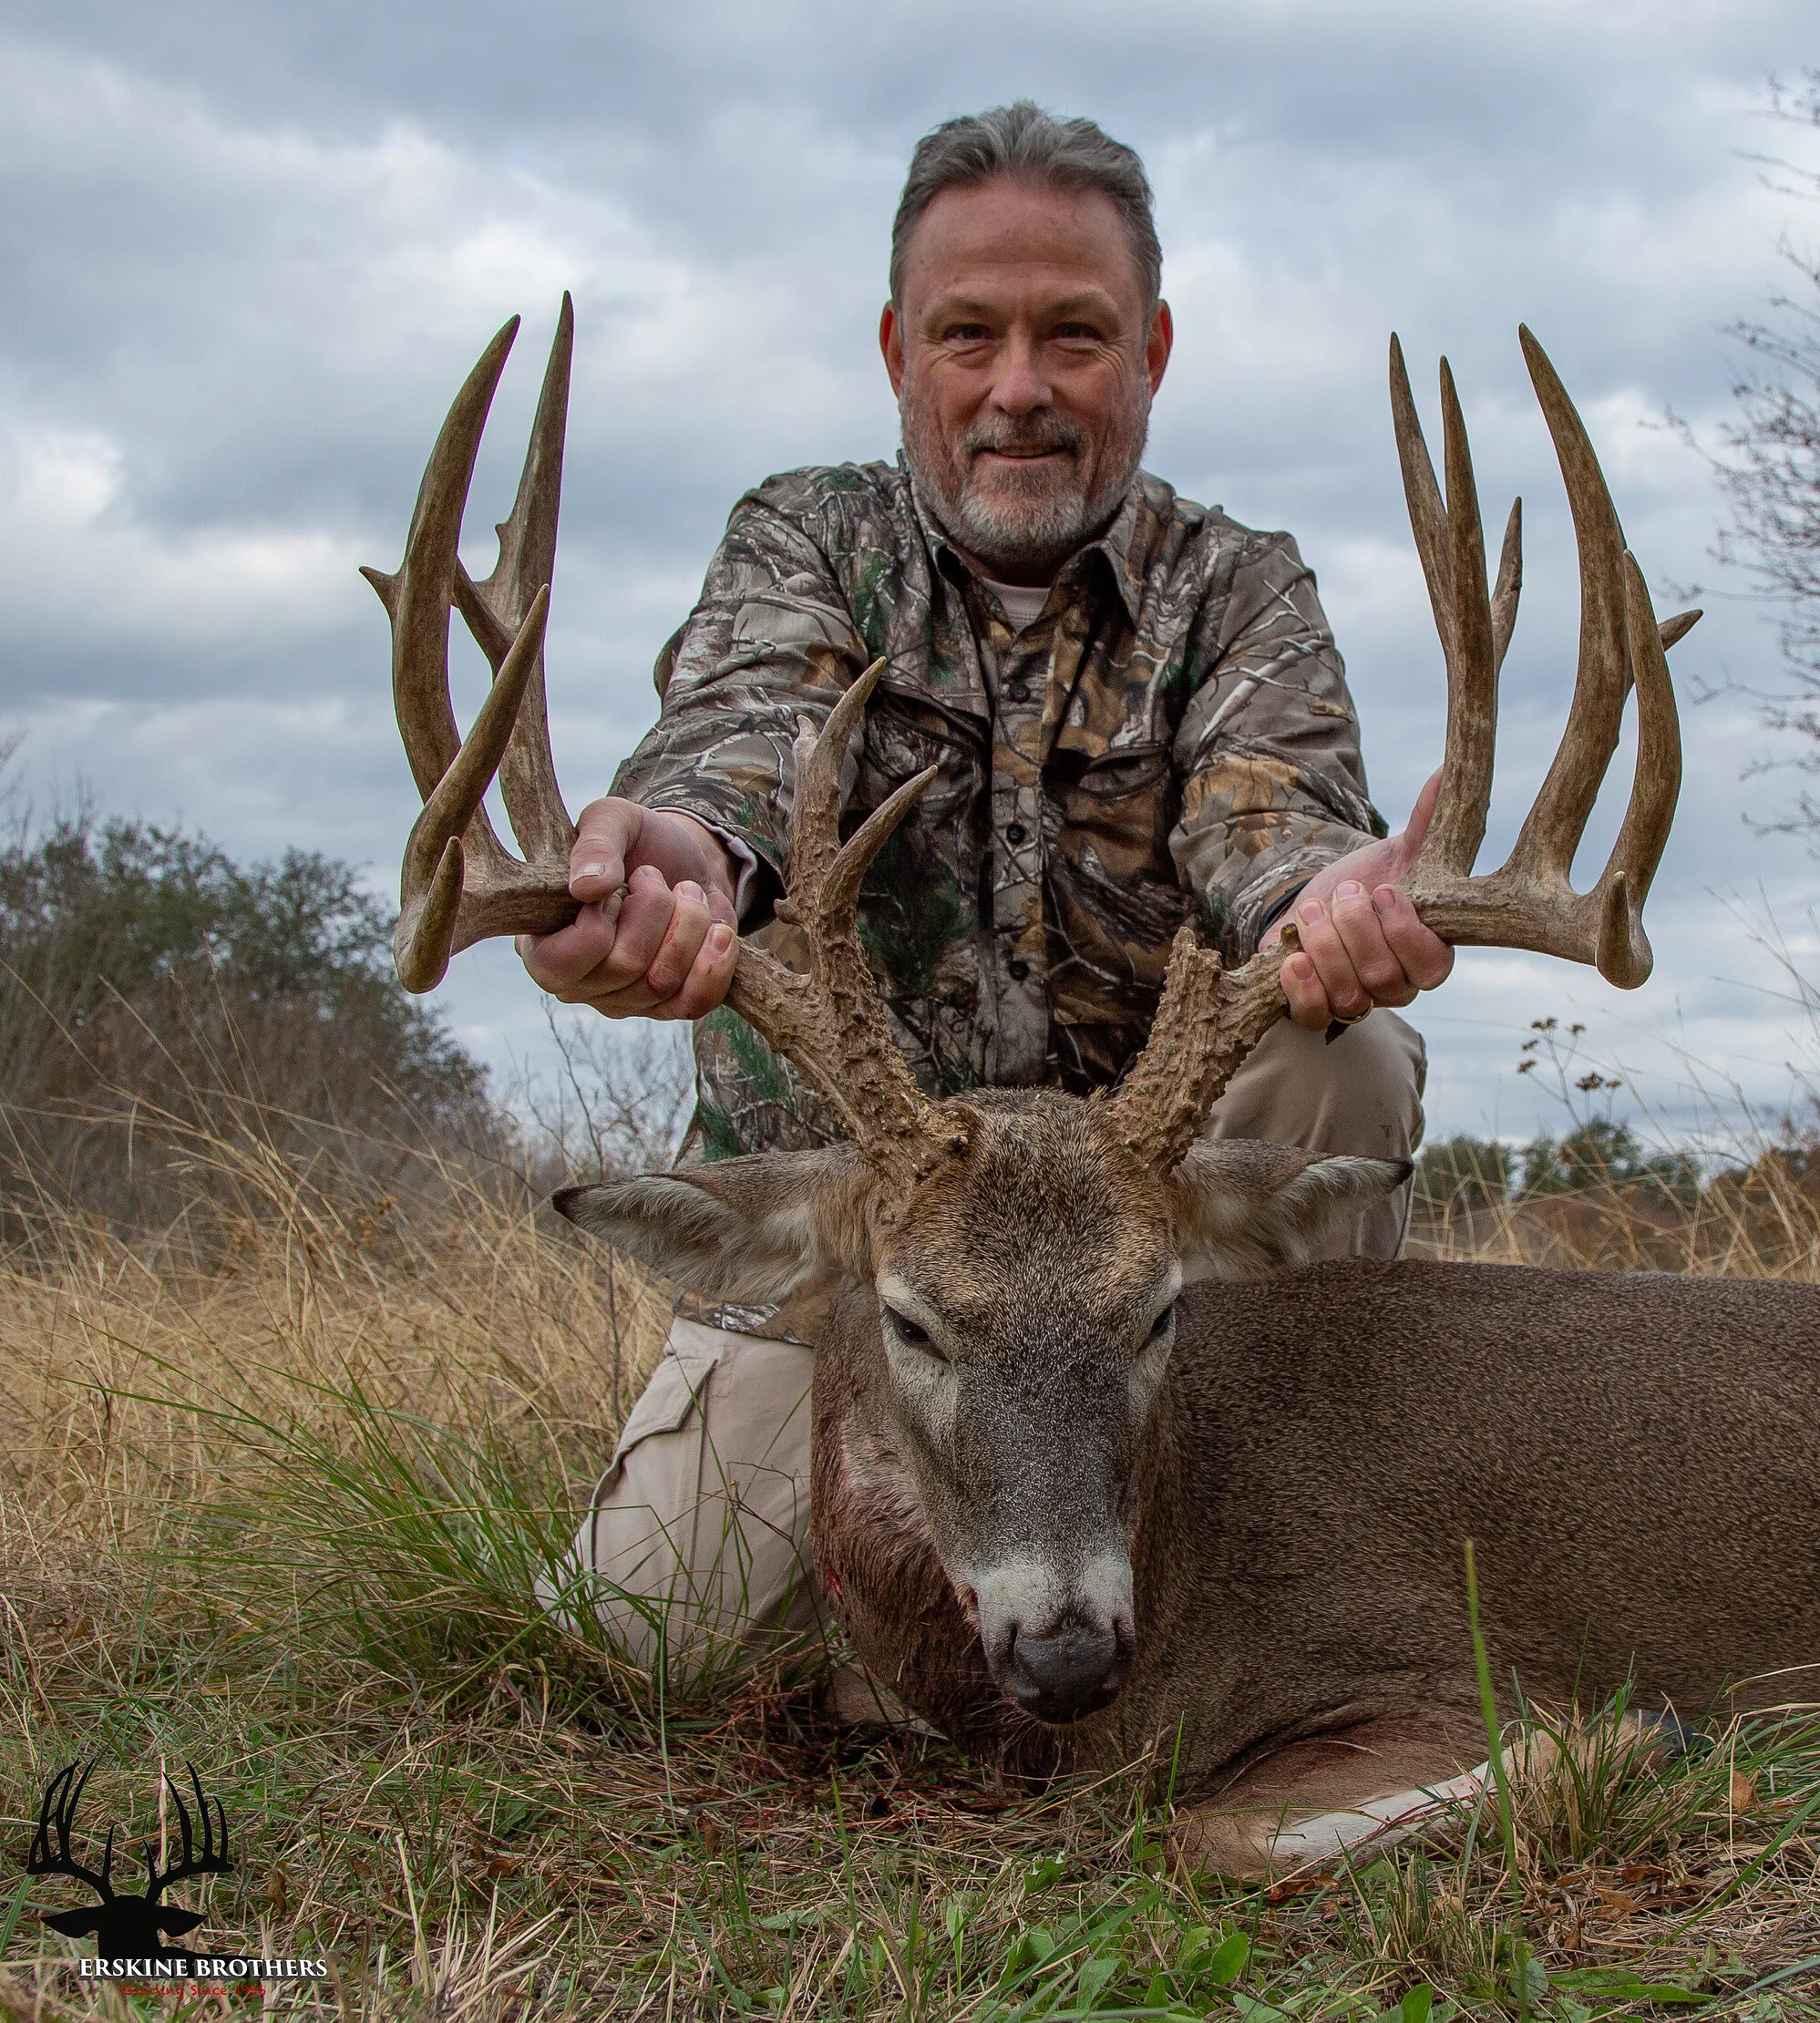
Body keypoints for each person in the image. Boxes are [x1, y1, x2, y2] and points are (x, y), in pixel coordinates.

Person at [525, 102, 1454, 1677]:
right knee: (642, 1644)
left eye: (1073, 334)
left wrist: (1327, 901)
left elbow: (1272, 824)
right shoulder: (807, 544)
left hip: (1135, 1261)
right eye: (971, 333)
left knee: (1336, 1052)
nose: (1019, 387)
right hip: (854, 1248)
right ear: (901, 348)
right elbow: (742, 735)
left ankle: (1297, 1561)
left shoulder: (1237, 591)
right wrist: (684, 856)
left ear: (1150, 348)